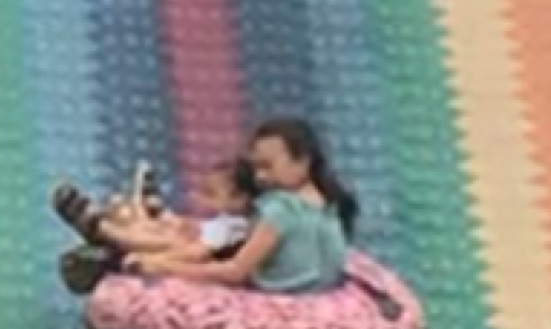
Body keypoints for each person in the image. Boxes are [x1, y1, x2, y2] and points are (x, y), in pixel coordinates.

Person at [52, 120, 360, 300]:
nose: (260, 178)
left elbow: (236, 271)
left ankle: (114, 253)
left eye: (268, 167)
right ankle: (118, 233)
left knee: (192, 249)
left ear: (303, 161)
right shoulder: (324, 203)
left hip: (275, 294)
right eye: (256, 169)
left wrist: (163, 268)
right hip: (312, 295)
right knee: (196, 237)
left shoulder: (280, 211)